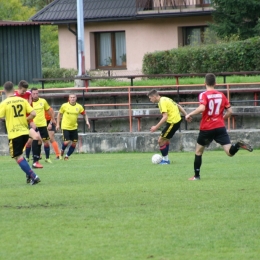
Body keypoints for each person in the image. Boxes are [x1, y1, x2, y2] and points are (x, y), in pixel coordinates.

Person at [185, 73, 253, 180]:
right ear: (215, 83)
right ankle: (238, 145)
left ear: (205, 83)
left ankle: (196, 176)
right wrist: (222, 119)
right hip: (220, 127)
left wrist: (189, 114)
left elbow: (202, 108)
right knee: (229, 152)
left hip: (207, 128)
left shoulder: (204, 94)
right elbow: (230, 111)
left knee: (198, 152)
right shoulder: (221, 95)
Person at [0, 81, 40, 185]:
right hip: (25, 132)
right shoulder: (22, 100)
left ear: (4, 91)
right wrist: (26, 119)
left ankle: (33, 176)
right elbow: (34, 113)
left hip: (14, 134)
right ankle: (29, 174)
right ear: (14, 90)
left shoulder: (4, 103)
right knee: (20, 155)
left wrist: (7, 118)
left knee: (17, 157)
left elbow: (1, 116)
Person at [148, 89, 190, 164]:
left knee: (160, 141)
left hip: (173, 122)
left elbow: (165, 117)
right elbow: (178, 106)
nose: (150, 100)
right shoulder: (165, 98)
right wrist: (186, 114)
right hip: (176, 121)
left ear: (154, 96)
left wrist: (156, 127)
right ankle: (166, 160)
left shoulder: (161, 102)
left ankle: (166, 161)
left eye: (150, 98)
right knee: (166, 140)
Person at [14, 80, 43, 168]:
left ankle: (35, 162)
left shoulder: (28, 94)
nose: (24, 92)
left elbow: (29, 110)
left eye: (25, 90)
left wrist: (31, 121)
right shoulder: (14, 97)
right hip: (17, 125)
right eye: (23, 90)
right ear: (18, 88)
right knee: (19, 152)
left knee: (38, 139)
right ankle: (28, 166)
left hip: (26, 123)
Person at [56, 93, 90, 160]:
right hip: (65, 126)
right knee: (67, 141)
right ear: (69, 98)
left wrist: (87, 121)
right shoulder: (64, 106)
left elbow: (84, 114)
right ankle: (62, 150)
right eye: (71, 97)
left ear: (76, 98)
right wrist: (57, 124)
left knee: (74, 143)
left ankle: (67, 156)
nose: (72, 99)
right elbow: (59, 114)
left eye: (74, 97)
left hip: (74, 127)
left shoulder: (79, 107)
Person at [31, 87, 56, 163]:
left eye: (37, 93)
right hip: (34, 125)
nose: (35, 95)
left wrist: (53, 119)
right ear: (31, 94)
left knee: (46, 141)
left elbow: (49, 110)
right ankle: (35, 157)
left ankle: (47, 158)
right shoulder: (29, 103)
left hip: (43, 125)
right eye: (34, 93)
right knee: (36, 141)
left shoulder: (43, 101)